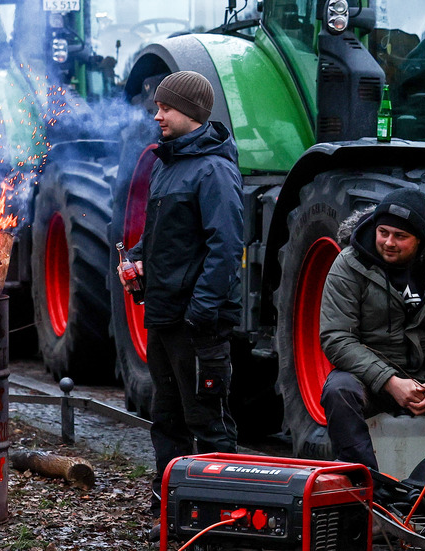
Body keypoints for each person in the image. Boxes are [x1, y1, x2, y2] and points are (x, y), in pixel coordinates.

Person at [117, 71, 245, 541]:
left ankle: (221, 518)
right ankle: (169, 512)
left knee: (208, 423)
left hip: (197, 326)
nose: (157, 116)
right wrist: (136, 261)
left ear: (189, 112)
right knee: (167, 421)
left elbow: (226, 248)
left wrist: (200, 312)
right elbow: (164, 238)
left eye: (165, 108)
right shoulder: (168, 164)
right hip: (165, 319)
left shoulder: (214, 170)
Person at [318, 188, 425, 471]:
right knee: (339, 389)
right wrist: (389, 381)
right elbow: (336, 338)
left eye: (400, 236)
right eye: (383, 232)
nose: (388, 242)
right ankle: (366, 484)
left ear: (421, 238)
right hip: (375, 380)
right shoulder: (349, 264)